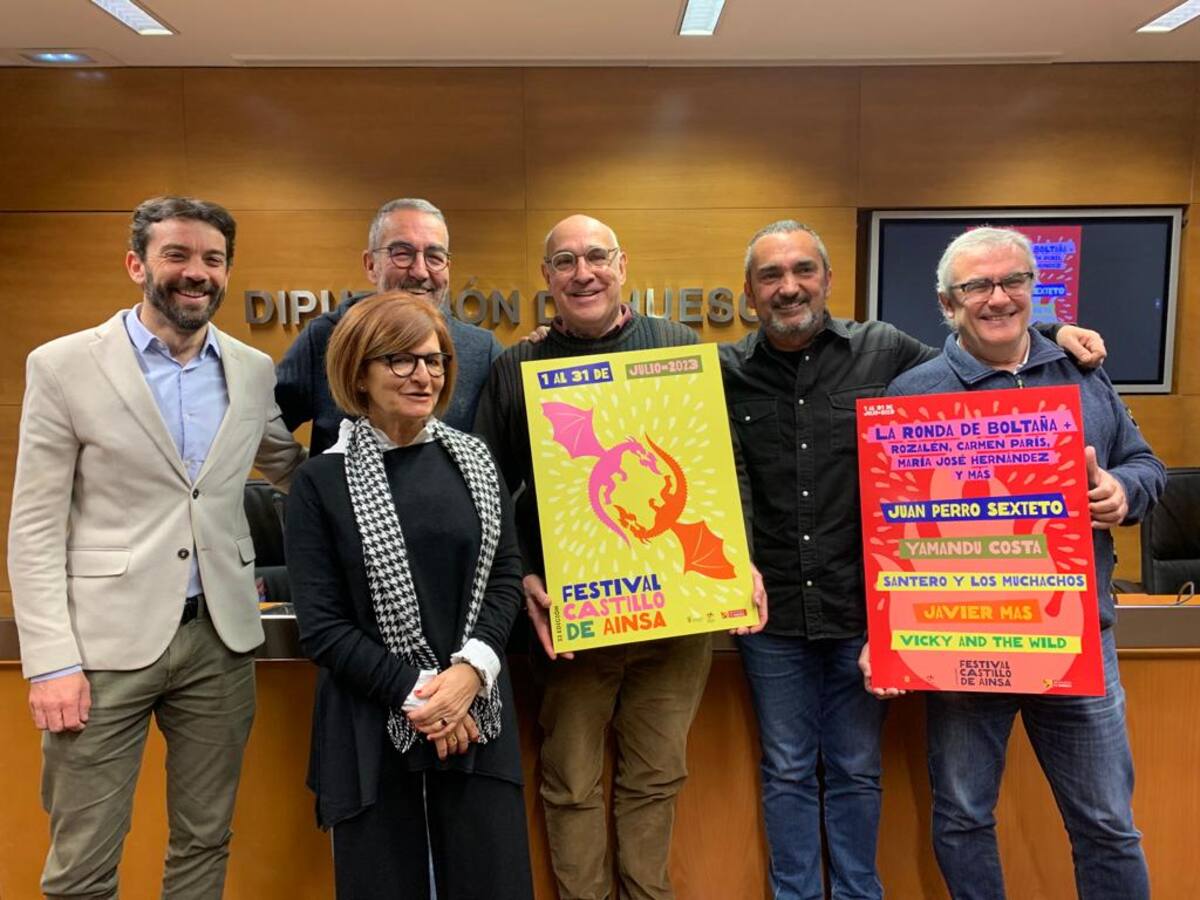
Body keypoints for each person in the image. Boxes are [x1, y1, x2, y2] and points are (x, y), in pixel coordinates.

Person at [720, 219, 1108, 900]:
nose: (789, 287)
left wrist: (1051, 338)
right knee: (783, 769)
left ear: (828, 281)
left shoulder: (885, 351)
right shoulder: (723, 373)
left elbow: (980, 345)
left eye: (803, 270)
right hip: (770, 614)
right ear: (749, 293)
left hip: (863, 615)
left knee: (855, 770)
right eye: (771, 276)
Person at [7, 195, 306, 898]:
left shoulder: (251, 369)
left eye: (212, 259)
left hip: (221, 643)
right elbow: (35, 524)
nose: (195, 272)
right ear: (137, 263)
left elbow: (289, 469)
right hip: (101, 648)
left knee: (204, 841)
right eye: (178, 255)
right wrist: (50, 660)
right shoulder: (61, 365)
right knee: (83, 859)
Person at [475, 214, 766, 900]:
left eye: (596, 257)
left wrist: (741, 557)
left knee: (656, 777)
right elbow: (485, 487)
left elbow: (725, 468)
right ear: (546, 277)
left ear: (623, 263)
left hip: (677, 618)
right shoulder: (516, 367)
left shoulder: (680, 350)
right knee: (572, 781)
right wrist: (520, 577)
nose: (584, 273)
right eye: (566, 261)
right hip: (575, 621)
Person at [871, 227, 1162, 900]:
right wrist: (884, 634)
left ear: (1035, 290)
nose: (997, 298)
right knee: (964, 816)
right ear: (949, 303)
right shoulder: (914, 394)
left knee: (1107, 822)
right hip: (964, 641)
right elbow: (888, 529)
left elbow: (1145, 463)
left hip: (1078, 640)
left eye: (1013, 282)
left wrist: (1124, 492)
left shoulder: (1085, 375)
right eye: (978, 286)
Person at [285, 292, 532, 900]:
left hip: (479, 713)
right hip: (374, 722)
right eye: (400, 360)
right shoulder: (321, 481)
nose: (424, 375)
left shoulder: (475, 460)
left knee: (491, 882)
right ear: (358, 373)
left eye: (435, 360)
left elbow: (505, 574)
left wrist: (470, 674)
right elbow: (323, 627)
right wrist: (425, 696)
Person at [275, 197, 502, 453]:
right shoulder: (327, 335)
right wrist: (306, 480)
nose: (420, 271)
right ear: (371, 265)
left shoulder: (483, 350)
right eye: (402, 254)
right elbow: (260, 424)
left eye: (434, 257)